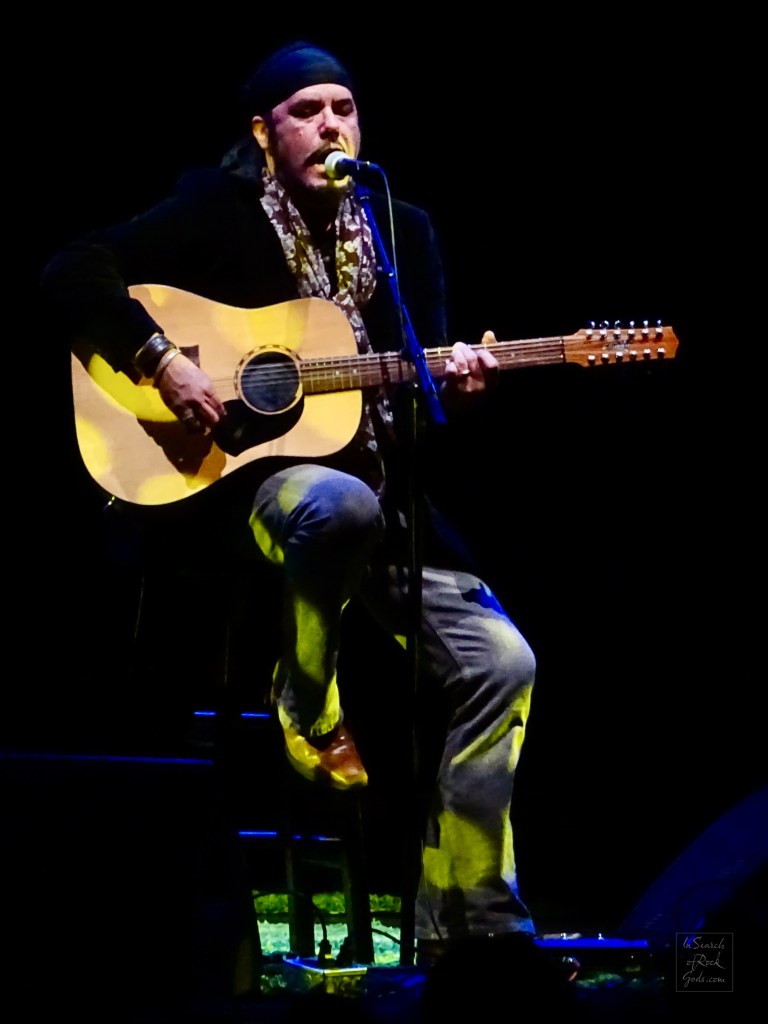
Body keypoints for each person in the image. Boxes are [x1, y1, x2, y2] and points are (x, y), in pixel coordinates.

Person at [40, 40, 538, 961]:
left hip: (389, 505)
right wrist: (164, 360)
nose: (331, 127)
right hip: (260, 496)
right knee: (334, 503)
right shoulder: (215, 209)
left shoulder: (402, 231)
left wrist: (455, 386)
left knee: (504, 662)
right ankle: (305, 696)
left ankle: (475, 924)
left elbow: (408, 400)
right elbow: (72, 268)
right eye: (307, 112)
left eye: (344, 109)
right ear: (265, 134)